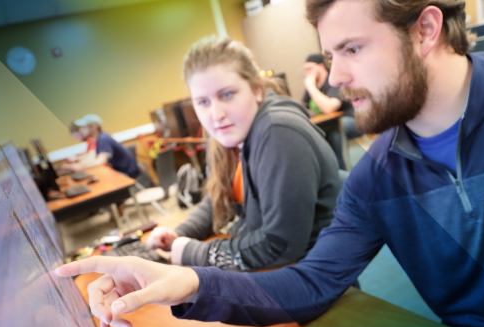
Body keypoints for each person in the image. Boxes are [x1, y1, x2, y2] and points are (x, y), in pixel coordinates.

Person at [56, 0, 484, 327]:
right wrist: (184, 282)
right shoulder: (378, 176)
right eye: (329, 54)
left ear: (425, 30)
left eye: (352, 49)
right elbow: (309, 283)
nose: (333, 76)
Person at [144, 36, 341, 273]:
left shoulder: (279, 132)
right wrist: (179, 234)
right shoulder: (231, 136)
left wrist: (191, 253)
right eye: (203, 102)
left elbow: (280, 245)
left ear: (256, 90)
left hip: (310, 277)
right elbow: (218, 200)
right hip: (273, 271)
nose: (216, 114)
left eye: (227, 95)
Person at [302, 53, 361, 169]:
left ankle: (342, 169)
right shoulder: (313, 86)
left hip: (352, 120)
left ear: (321, 67)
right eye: (305, 70)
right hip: (330, 124)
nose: (307, 73)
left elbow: (330, 108)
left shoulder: (332, 81)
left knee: (334, 129)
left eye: (310, 69)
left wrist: (311, 88)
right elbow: (302, 108)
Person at [62, 114, 140, 179]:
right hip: (119, 171)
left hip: (127, 174)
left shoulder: (103, 139)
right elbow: (92, 155)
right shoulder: (97, 139)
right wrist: (77, 161)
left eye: (85, 127)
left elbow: (101, 161)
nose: (82, 130)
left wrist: (79, 166)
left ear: (94, 127)